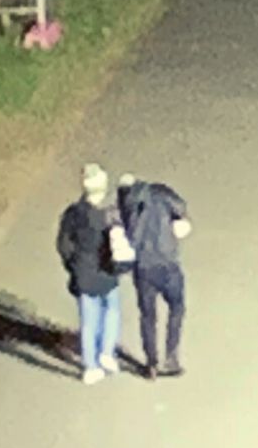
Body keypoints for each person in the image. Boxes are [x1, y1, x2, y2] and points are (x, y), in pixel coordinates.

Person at [56, 163, 127, 383]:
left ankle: (90, 365)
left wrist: (73, 265)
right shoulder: (109, 216)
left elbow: (64, 244)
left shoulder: (72, 214)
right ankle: (106, 351)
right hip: (107, 271)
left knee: (88, 321)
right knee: (112, 310)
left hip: (84, 274)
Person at [117, 172, 191, 378]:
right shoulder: (161, 194)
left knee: (148, 316)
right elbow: (181, 206)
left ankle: (151, 362)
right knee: (177, 307)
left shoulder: (127, 204)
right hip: (167, 263)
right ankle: (171, 356)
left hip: (143, 267)